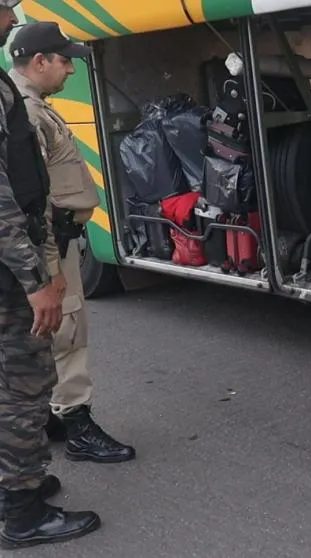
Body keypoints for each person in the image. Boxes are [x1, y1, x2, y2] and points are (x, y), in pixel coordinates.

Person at [9, 21, 136, 464]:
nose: (71, 70)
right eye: (64, 61)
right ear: (39, 61)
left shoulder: (35, 106)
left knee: (48, 333)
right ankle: (77, 423)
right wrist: (52, 268)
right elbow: (35, 198)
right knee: (67, 332)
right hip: (51, 244)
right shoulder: (26, 112)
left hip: (52, 241)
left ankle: (50, 417)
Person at [0, 1, 101, 549]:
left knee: (22, 376)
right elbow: (12, 198)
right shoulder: (16, 103)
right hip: (23, 263)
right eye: (65, 61)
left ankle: (23, 486)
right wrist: (39, 274)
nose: (11, 14)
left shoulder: (16, 96)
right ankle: (22, 511)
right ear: (39, 60)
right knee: (26, 380)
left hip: (25, 256)